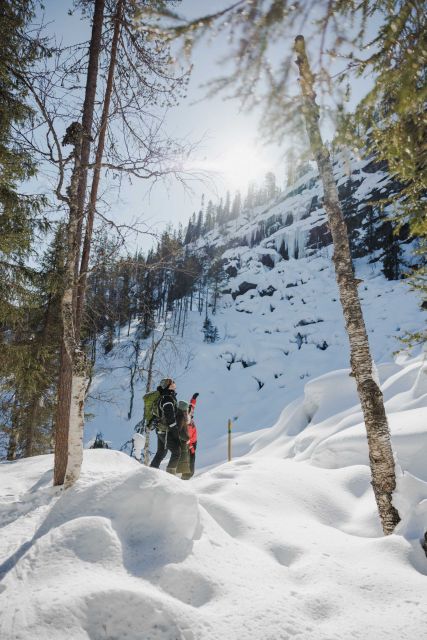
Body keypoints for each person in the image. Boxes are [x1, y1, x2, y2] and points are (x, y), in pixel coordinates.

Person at [150, 378, 181, 474]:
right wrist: (176, 435)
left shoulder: (162, 397)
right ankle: (169, 478)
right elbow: (170, 419)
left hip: (160, 430)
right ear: (168, 386)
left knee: (161, 452)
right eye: (172, 385)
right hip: (166, 431)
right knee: (177, 452)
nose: (174, 387)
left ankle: (151, 472)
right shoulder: (167, 399)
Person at [182, 393, 198, 480]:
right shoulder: (185, 423)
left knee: (192, 458)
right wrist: (191, 446)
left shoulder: (189, 415)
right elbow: (186, 437)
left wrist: (193, 398)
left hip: (194, 442)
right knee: (189, 459)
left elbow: (192, 406)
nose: (190, 415)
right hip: (189, 444)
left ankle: (189, 475)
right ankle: (185, 477)